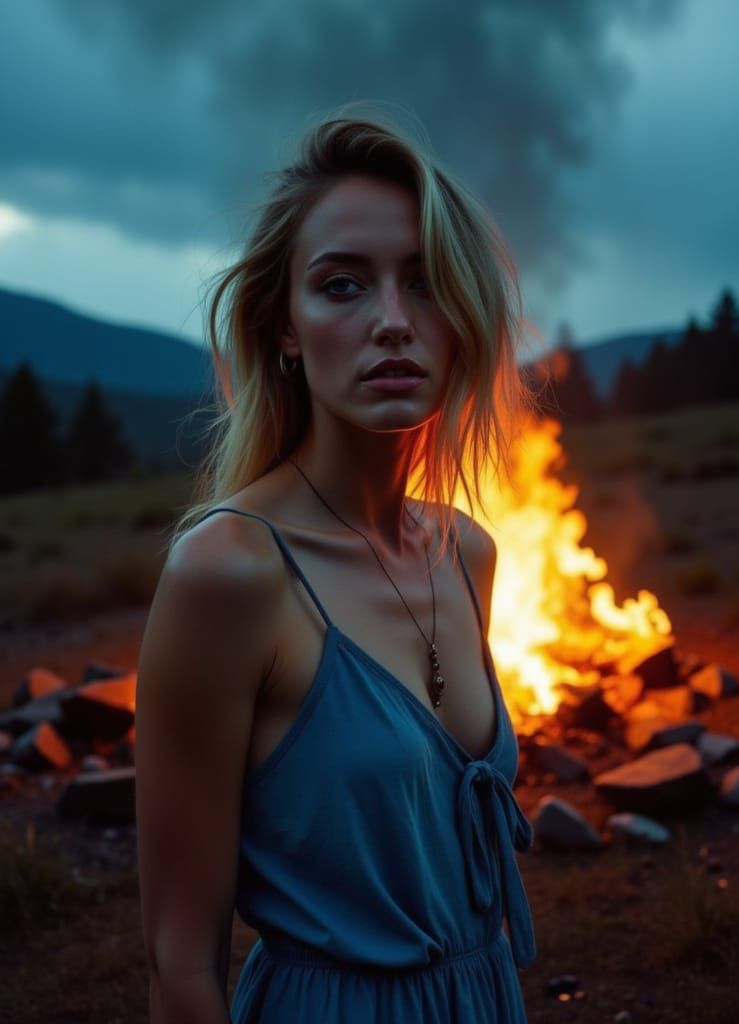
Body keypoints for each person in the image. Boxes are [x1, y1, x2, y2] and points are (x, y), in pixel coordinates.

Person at [136, 102, 539, 1023]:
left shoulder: (468, 552)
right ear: (284, 326)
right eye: (344, 285)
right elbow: (180, 965)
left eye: (427, 282)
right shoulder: (229, 573)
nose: (394, 322)